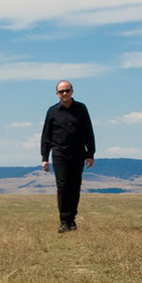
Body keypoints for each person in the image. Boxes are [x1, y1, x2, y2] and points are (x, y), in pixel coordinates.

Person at [41, 80, 95, 233]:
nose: (64, 94)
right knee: (63, 186)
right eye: (61, 91)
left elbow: (88, 131)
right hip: (59, 154)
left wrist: (90, 153)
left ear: (72, 91)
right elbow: (46, 135)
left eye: (67, 90)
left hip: (78, 153)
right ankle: (64, 220)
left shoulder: (81, 109)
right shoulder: (52, 111)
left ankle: (72, 219)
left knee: (75, 186)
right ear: (57, 94)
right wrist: (44, 157)